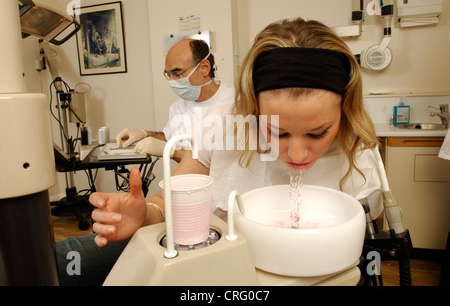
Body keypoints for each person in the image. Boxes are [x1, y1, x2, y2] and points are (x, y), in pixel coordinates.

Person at [57, 17, 383, 285]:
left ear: (345, 111)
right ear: (251, 108)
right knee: (62, 261)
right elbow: (168, 203)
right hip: (214, 260)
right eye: (276, 131)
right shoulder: (224, 126)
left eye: (317, 132)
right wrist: (146, 215)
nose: (297, 154)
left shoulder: (358, 154)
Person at [116, 38, 235, 162]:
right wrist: (144, 134)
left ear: (204, 67)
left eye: (177, 73)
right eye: (169, 75)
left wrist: (173, 152)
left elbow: (218, 163)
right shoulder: (179, 107)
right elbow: (169, 137)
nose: (172, 81)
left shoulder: (235, 104)